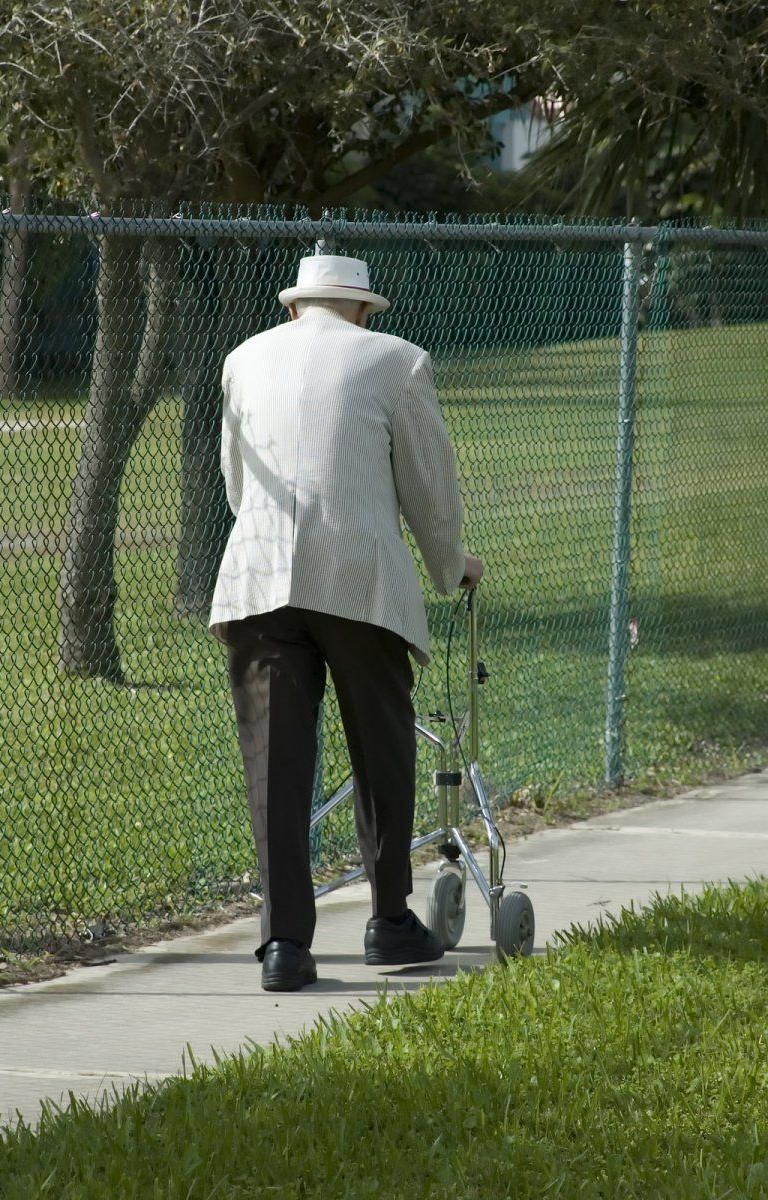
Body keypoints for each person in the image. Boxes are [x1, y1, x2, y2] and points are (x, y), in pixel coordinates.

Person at [208, 254, 483, 992]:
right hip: (359, 578)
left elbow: (238, 480)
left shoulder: (242, 359)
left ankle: (284, 947)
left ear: (297, 306)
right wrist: (448, 561)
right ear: (361, 308)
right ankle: (388, 921)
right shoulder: (398, 361)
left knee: (276, 765)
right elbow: (428, 483)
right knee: (381, 747)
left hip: (258, 577)